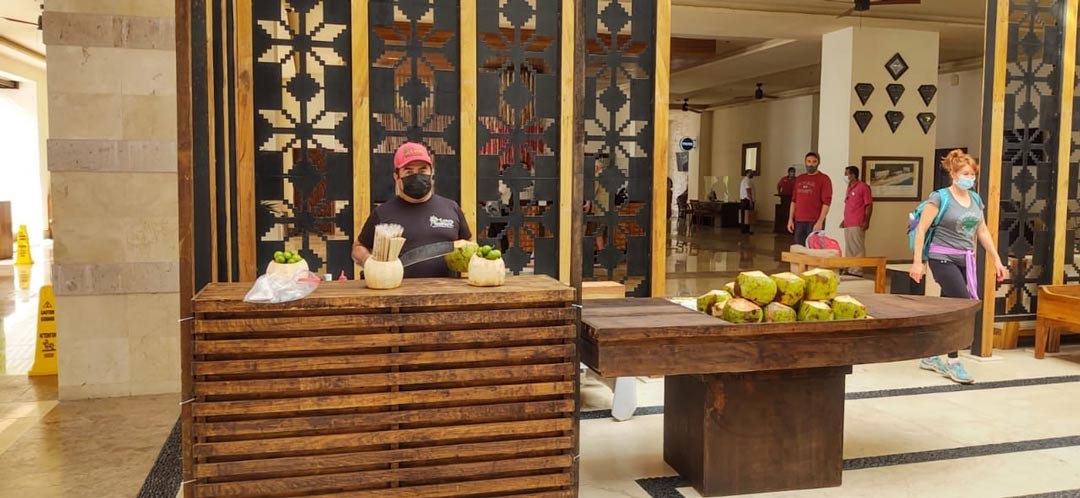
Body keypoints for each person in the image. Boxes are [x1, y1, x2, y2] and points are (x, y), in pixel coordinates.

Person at [909, 150, 1008, 384]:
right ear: (953, 174)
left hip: (966, 258)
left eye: (972, 175)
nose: (970, 178)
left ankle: (931, 355)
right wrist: (917, 262)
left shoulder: (975, 199)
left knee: (947, 308)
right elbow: (921, 229)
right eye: (965, 174)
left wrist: (996, 259)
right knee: (962, 304)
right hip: (942, 256)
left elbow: (982, 231)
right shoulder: (939, 197)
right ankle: (953, 362)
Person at [352, 142, 472, 278]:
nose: (417, 176)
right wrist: (369, 261)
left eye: (422, 170)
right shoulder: (382, 213)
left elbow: (470, 243)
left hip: (448, 290)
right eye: (409, 171)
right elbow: (358, 248)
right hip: (397, 289)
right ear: (396, 177)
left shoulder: (451, 208)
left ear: (432, 172)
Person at [786, 152, 832, 246]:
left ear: (818, 163)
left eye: (814, 162)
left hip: (814, 221)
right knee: (799, 248)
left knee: (813, 248)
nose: (811, 164)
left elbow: (826, 202)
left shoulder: (824, 179)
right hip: (799, 221)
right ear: (805, 162)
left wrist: (820, 221)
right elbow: (794, 201)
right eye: (809, 161)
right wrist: (790, 219)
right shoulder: (799, 179)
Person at [840, 166, 873, 276]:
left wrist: (867, 221)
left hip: (857, 222)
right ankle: (849, 268)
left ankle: (857, 270)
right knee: (849, 247)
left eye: (847, 174)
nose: (845, 176)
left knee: (857, 247)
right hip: (848, 223)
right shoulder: (849, 187)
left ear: (853, 175)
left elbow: (869, 205)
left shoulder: (863, 187)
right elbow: (850, 205)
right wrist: (844, 220)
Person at [739, 169, 755, 234]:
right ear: (747, 173)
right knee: (747, 216)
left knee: (746, 216)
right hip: (747, 200)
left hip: (746, 200)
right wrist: (751, 201)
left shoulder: (747, 180)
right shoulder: (746, 181)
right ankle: (745, 230)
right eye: (751, 173)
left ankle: (745, 229)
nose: (753, 174)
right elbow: (748, 191)